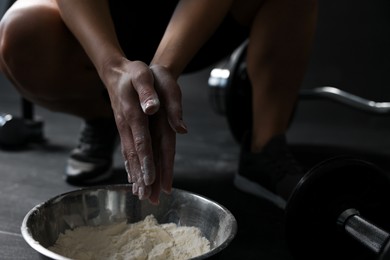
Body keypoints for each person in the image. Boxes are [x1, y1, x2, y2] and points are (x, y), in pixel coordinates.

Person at [0, 0, 318, 207]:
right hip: (103, 20)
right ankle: (105, 114)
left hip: (198, 19)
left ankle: (264, 149)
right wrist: (111, 68)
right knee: (20, 31)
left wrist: (166, 66)